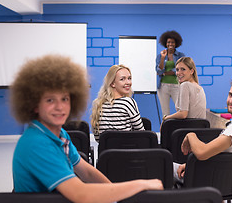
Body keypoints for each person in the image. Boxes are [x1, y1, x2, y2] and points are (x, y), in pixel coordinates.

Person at [11, 55, 163, 203]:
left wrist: (115, 195)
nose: (59, 107)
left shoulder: (60, 134)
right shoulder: (36, 143)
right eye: (50, 100)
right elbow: (81, 194)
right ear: (34, 104)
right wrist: (141, 184)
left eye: (64, 99)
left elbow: (88, 172)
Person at [176, 75, 232, 180]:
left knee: (161, 166)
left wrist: (190, 135)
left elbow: (202, 153)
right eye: (230, 95)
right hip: (227, 179)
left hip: (210, 180)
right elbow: (221, 157)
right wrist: (189, 165)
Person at [91, 64, 144, 142]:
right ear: (112, 83)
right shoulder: (128, 102)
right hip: (127, 152)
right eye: (122, 79)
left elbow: (98, 139)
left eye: (129, 78)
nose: (128, 82)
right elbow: (141, 133)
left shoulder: (98, 104)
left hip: (106, 153)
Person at [162, 57, 206, 121]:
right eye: (177, 70)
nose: (179, 73)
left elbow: (183, 114)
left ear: (191, 71)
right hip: (198, 127)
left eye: (183, 69)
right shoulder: (199, 87)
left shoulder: (185, 85)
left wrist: (165, 118)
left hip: (188, 128)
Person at [156, 30, 185, 117]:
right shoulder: (160, 56)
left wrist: (165, 73)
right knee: (165, 112)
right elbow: (159, 71)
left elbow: (181, 71)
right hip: (163, 86)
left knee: (180, 109)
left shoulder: (180, 55)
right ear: (165, 43)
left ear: (176, 43)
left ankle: (180, 129)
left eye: (172, 42)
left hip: (177, 85)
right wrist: (163, 58)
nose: (170, 44)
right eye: (168, 42)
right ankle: (166, 130)